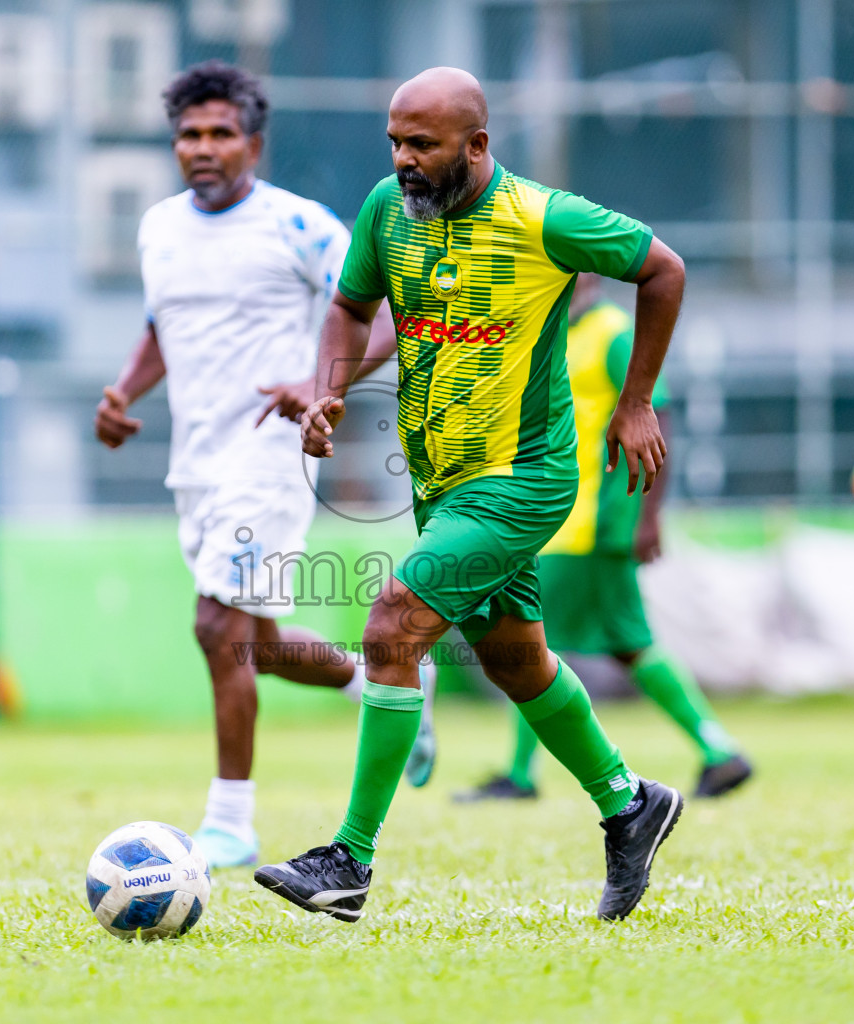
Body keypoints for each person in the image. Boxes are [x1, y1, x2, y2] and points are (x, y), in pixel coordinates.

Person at [254, 67, 687, 923]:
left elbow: (663, 269)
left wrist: (635, 401)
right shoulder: (387, 210)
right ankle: (629, 803)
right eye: (395, 142)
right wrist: (328, 385)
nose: (405, 160)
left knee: (390, 625)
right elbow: (349, 303)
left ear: (477, 145)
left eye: (423, 145)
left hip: (522, 481)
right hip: (440, 484)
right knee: (515, 663)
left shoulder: (542, 218)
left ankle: (348, 860)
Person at [94, 61, 434, 870]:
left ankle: (230, 818)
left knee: (216, 625)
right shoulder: (158, 229)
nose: (202, 148)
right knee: (262, 643)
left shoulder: (302, 227)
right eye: (188, 135)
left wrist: (323, 384)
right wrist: (122, 390)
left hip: (276, 453)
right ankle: (375, 685)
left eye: (219, 133)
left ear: (253, 141)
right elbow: (160, 327)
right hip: (198, 459)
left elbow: (386, 313)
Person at [455, 273, 753, 804]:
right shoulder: (550, 334)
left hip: (586, 526)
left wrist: (648, 515)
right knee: (626, 644)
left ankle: (522, 775)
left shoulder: (613, 334)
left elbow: (655, 417)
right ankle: (718, 750)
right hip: (573, 526)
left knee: (529, 643)